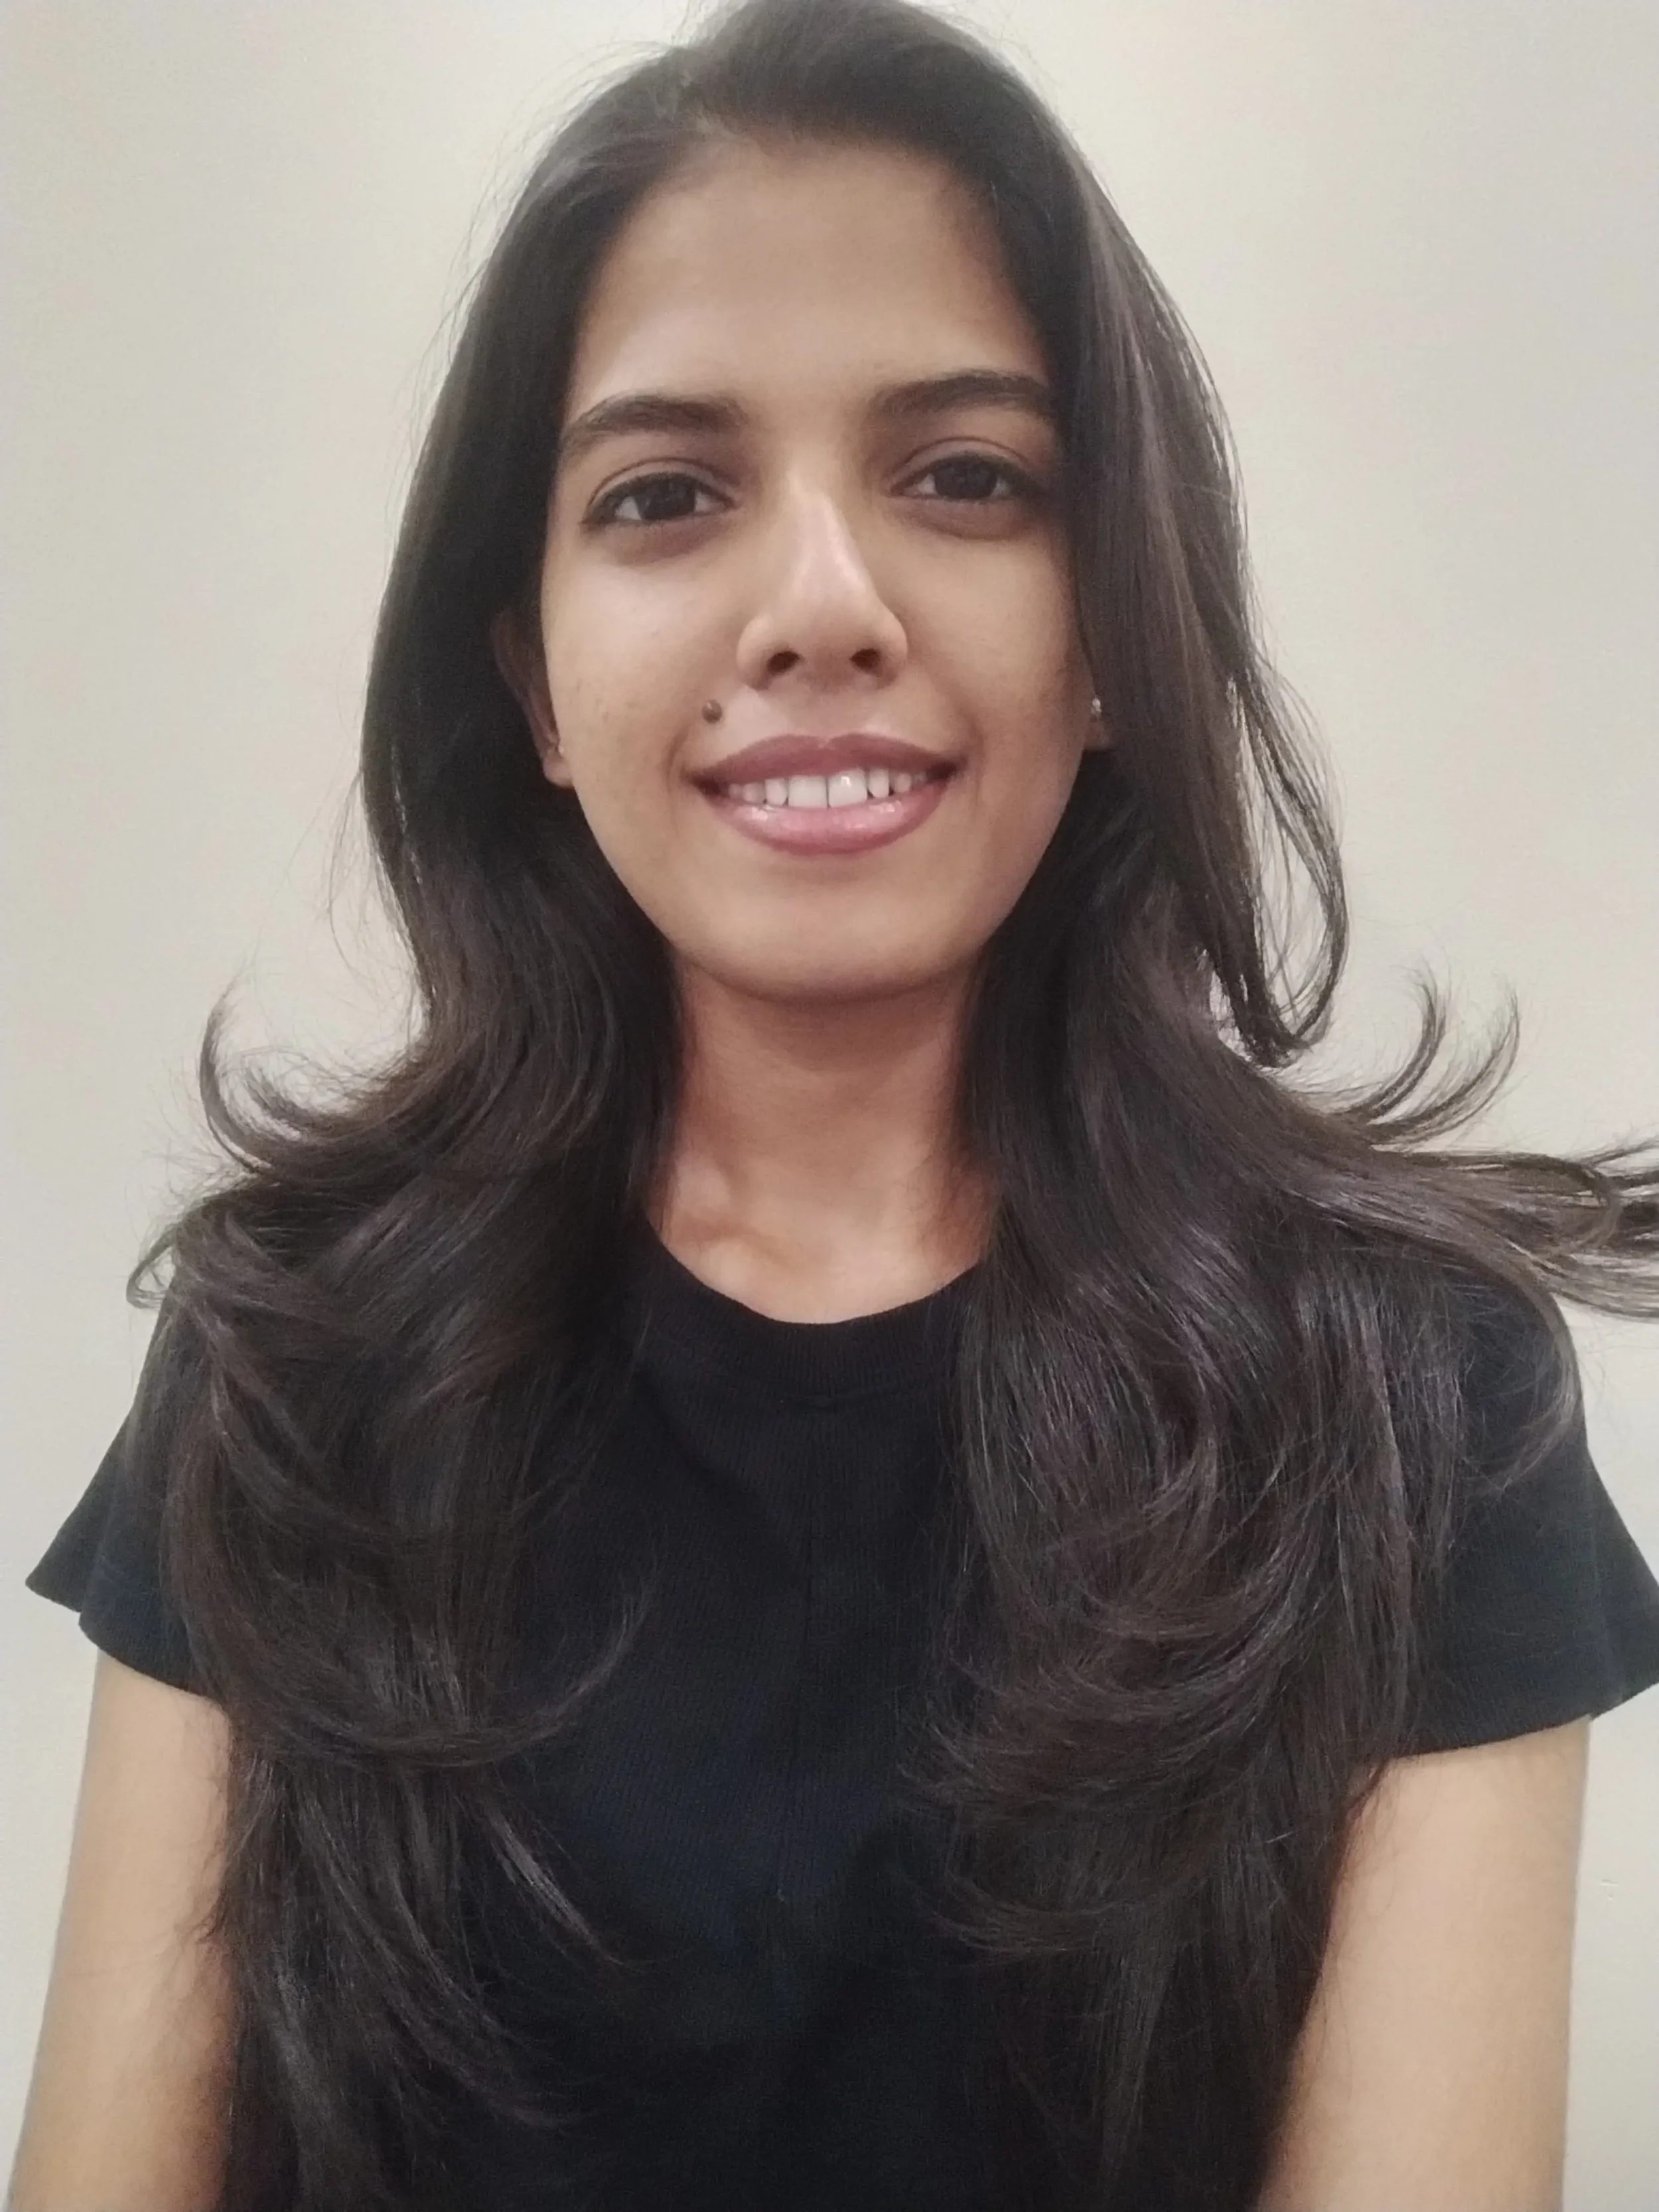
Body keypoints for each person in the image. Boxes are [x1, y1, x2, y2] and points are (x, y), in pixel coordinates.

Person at [14, 1, 1659, 2207]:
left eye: (964, 477)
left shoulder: (1422, 1398)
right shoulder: (287, 1354)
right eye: (665, 494)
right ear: (534, 685)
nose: (818, 606)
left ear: (1107, 632)